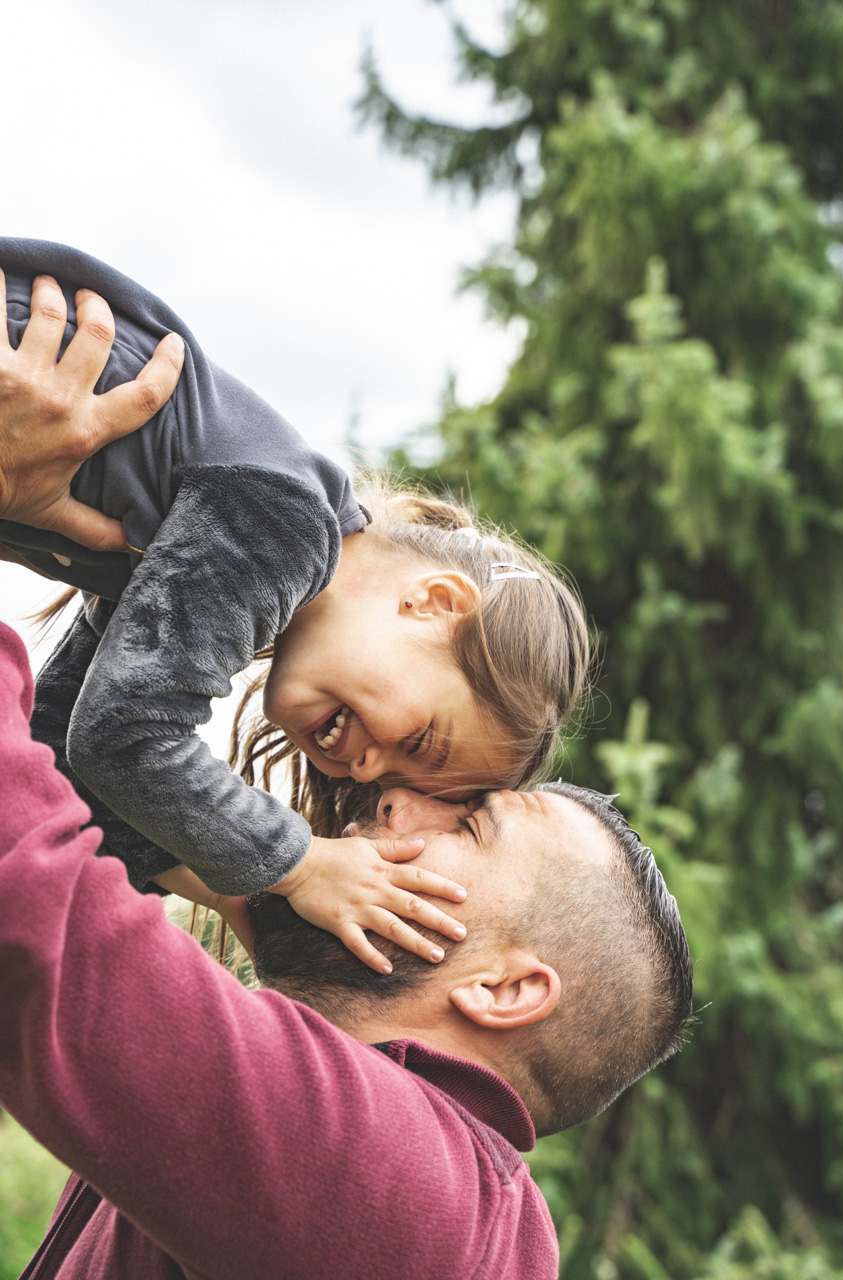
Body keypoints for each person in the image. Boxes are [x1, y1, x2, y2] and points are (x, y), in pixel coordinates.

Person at [0, 619, 693, 1279]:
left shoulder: (411, 1187)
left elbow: (33, 907)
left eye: (471, 826)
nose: (396, 798)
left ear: (503, 990)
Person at [0, 241, 590, 973]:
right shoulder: (281, 523)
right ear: (434, 603)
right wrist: (301, 866)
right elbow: (124, 736)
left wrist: (242, 899)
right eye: (419, 743)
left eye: (385, 781)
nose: (365, 767)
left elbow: (63, 756)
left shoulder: (225, 540)